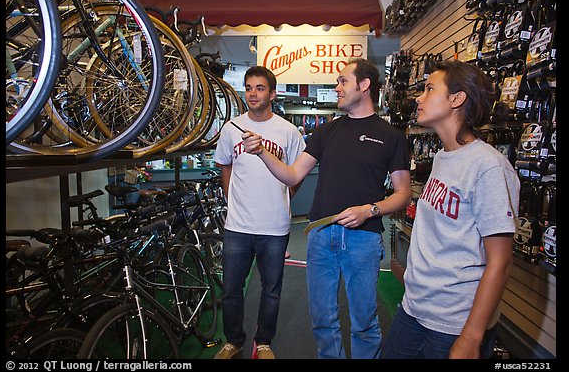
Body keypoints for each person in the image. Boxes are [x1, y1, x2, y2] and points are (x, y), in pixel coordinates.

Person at [242, 58, 412, 359]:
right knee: (322, 321)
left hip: (364, 238)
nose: (336, 87)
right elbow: (293, 175)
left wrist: (369, 210)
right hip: (321, 235)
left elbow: (403, 194)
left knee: (364, 322)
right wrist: (263, 153)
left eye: (343, 81)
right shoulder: (326, 132)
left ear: (364, 85)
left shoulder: (391, 136)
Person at [381, 60, 521, 359]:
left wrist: (471, 337)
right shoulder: (444, 156)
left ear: (457, 99)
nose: (419, 97)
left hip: (455, 323)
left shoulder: (489, 167)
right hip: (415, 308)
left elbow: (500, 262)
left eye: (430, 88)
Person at [212, 66, 306, 359]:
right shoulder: (231, 128)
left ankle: (263, 341)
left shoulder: (288, 131)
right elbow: (224, 163)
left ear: (272, 94)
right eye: (249, 87)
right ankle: (234, 340)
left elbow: (298, 171)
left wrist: (287, 195)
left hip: (274, 226)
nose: (252, 93)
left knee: (271, 290)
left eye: (260, 88)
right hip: (238, 225)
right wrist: (230, 195)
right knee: (230, 290)